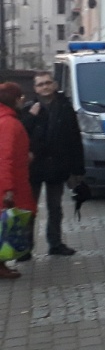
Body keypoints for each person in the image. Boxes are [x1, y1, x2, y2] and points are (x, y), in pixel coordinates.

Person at [19, 72, 85, 257]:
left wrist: (78, 169)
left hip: (57, 166)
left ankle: (55, 244)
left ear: (54, 85)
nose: (45, 87)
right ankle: (25, 247)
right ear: (35, 88)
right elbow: (20, 133)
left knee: (55, 207)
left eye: (48, 83)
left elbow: (75, 138)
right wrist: (31, 116)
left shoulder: (65, 107)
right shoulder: (29, 108)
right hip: (34, 167)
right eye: (40, 84)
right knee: (29, 208)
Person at [0, 83, 37, 279]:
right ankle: (1, 266)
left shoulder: (6, 119)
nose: (23, 100)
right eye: (21, 97)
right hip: (11, 183)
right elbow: (4, 157)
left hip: (14, 180)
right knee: (6, 225)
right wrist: (7, 189)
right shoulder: (8, 123)